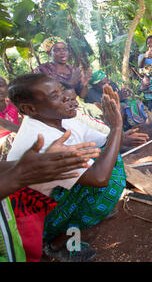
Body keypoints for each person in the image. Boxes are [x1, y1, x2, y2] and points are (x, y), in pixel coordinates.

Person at [7, 74, 126, 262]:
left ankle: (83, 216)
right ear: (30, 109)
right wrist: (117, 127)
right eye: (55, 96)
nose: (65, 98)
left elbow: (104, 142)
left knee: (107, 159)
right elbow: (99, 178)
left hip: (47, 199)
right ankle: (57, 242)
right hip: (27, 219)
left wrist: (116, 131)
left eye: (62, 90)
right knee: (107, 180)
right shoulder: (40, 138)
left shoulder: (60, 118)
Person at [0, 134, 100, 262]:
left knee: (23, 252)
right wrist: (18, 174)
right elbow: (99, 178)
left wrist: (36, 165)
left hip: (10, 215)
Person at [0, 76, 21, 160]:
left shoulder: (12, 103)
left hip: (16, 138)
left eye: (1, 85)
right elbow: (4, 124)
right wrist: (25, 132)